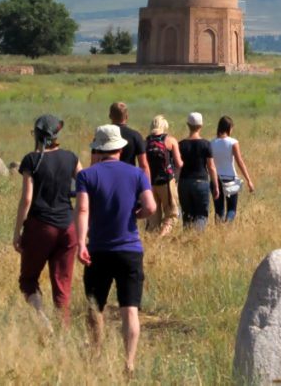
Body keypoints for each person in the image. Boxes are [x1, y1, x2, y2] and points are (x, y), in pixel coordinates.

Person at [76, 125, 156, 374]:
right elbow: (151, 207)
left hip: (98, 249)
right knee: (129, 309)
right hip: (130, 249)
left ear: (98, 150)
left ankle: (95, 354)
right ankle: (129, 362)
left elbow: (82, 210)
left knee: (95, 306)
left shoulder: (86, 176)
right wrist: (136, 215)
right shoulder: (137, 174)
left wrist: (80, 243)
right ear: (121, 149)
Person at [13, 114, 81, 327]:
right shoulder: (71, 157)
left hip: (40, 227)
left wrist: (17, 232)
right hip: (68, 228)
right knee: (62, 284)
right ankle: (63, 334)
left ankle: (43, 321)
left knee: (28, 280)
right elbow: (85, 185)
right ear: (56, 134)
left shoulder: (31, 160)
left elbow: (27, 199)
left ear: (38, 135)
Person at [177, 112, 219, 230]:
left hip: (184, 182)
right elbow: (211, 167)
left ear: (187, 124)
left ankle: (187, 239)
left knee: (187, 215)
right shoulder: (206, 144)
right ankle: (197, 238)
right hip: (201, 182)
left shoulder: (181, 145)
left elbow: (178, 167)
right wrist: (215, 185)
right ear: (201, 126)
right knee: (201, 215)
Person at [144, 115, 183, 236]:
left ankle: (151, 240)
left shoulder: (145, 142)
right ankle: (161, 237)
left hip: (150, 183)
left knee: (153, 217)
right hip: (166, 182)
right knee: (172, 213)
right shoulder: (170, 140)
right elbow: (178, 163)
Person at [211, 115, 255, 223]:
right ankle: (228, 225)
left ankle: (219, 230)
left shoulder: (211, 143)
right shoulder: (233, 142)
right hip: (230, 178)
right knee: (231, 209)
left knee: (218, 210)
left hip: (215, 179)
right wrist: (249, 180)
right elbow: (240, 162)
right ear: (229, 128)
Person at [109, 102, 150, 182]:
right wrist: (147, 187)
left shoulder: (103, 136)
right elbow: (143, 165)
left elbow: (95, 163)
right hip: (129, 179)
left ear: (110, 116)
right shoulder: (135, 136)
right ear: (127, 116)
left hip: (108, 179)